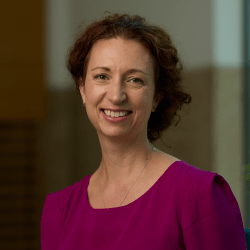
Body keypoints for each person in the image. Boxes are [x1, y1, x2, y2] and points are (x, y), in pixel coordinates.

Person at [41, 12, 247, 249]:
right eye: (101, 76)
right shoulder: (59, 208)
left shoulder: (200, 195)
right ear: (83, 89)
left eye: (135, 80)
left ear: (156, 97)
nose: (116, 95)